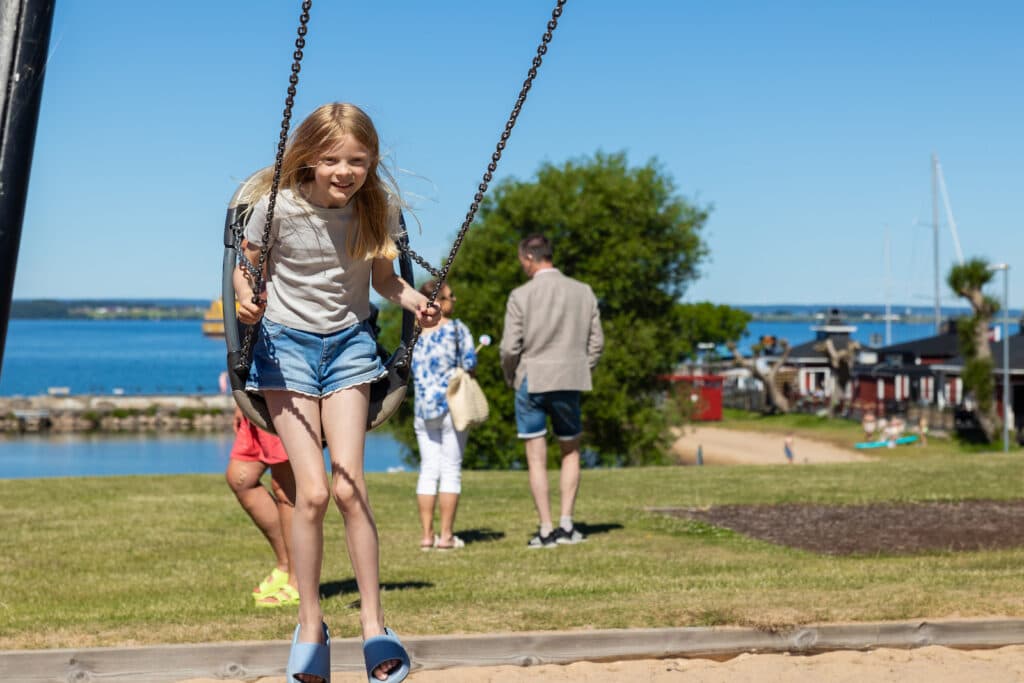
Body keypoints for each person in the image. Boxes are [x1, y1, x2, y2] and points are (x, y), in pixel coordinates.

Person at [234, 103, 439, 683]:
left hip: (349, 346)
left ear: (372, 162)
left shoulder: (377, 207)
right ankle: (310, 623)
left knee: (350, 487)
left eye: (357, 160)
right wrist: (248, 297)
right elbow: (244, 270)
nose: (344, 172)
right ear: (308, 157)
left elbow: (383, 281)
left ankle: (374, 624)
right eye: (331, 160)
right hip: (284, 351)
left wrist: (415, 301)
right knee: (314, 493)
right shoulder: (277, 207)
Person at [499, 234, 604, 549]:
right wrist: (581, 367)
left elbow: (508, 347)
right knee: (571, 450)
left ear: (528, 258)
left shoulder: (521, 295)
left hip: (532, 377)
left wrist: (510, 376)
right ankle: (567, 524)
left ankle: (545, 529)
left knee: (536, 456)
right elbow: (596, 342)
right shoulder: (583, 291)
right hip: (570, 378)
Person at [410, 280, 477, 551]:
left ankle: (427, 535)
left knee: (428, 469)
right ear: (435, 301)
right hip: (452, 406)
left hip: (423, 408)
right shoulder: (457, 330)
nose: (453, 301)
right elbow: (470, 364)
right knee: (450, 469)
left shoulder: (414, 333)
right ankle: (446, 536)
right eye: (450, 296)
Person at [226, 405, 300, 608]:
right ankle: (286, 566)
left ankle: (298, 581)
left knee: (285, 487)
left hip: (281, 396)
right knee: (240, 478)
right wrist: (241, 399)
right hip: (256, 392)